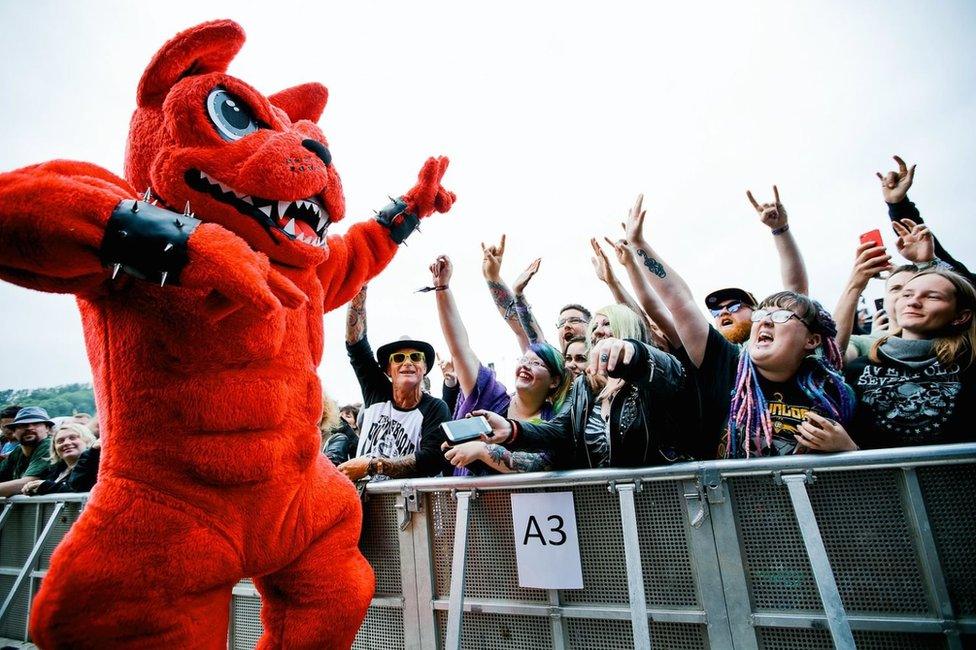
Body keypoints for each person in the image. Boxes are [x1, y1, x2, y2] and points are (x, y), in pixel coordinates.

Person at [608, 197, 857, 458]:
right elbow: (678, 303)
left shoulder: (832, 388)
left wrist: (848, 449)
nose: (766, 320)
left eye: (781, 315)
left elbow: (796, 290)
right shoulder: (726, 365)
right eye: (762, 314)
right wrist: (639, 245)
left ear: (812, 340)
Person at [429, 255, 571, 474]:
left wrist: (482, 450)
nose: (525, 365)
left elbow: (542, 463)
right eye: (524, 359)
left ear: (554, 381)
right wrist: (442, 288)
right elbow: (460, 349)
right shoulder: (492, 399)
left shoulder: (556, 420)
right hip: (476, 507)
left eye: (536, 363)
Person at [845, 268, 976, 448]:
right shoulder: (858, 369)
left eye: (932, 297)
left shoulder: (969, 364)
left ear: (961, 316)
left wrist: (927, 261)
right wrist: (851, 450)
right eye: (907, 294)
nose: (913, 302)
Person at [340, 286, 451, 480]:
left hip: (414, 507)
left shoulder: (435, 408)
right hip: (366, 504)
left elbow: (432, 459)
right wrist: (361, 282)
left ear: (424, 368)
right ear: (388, 370)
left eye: (415, 357)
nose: (407, 362)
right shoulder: (376, 391)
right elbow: (356, 343)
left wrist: (373, 467)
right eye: (398, 358)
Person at [706, 186, 809, 345]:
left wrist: (780, 229)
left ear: (757, 313)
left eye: (734, 306)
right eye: (716, 311)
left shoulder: (777, 345)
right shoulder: (712, 358)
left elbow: (796, 292)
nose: (724, 312)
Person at [22, 422, 100, 495]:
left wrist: (46, 486)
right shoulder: (55, 471)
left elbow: (78, 488)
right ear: (55, 449)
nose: (66, 443)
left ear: (87, 440)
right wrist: (34, 488)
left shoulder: (96, 466)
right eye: (60, 441)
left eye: (72, 438)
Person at [0, 406, 56, 497]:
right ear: (14, 432)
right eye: (23, 425)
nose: (29, 428)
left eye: (36, 424)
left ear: (48, 429)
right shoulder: (18, 451)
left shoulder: (48, 445)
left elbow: (29, 482)